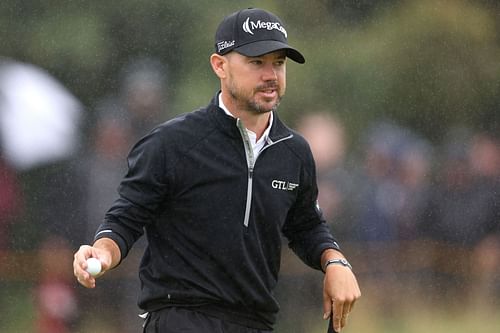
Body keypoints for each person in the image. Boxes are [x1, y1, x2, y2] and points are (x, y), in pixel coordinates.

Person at [73, 8, 360, 333]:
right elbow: (124, 220)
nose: (271, 74)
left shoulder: (294, 153)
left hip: (256, 324)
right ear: (219, 65)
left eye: (278, 63)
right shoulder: (172, 143)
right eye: (257, 62)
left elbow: (307, 226)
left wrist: (335, 262)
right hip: (180, 320)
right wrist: (99, 252)